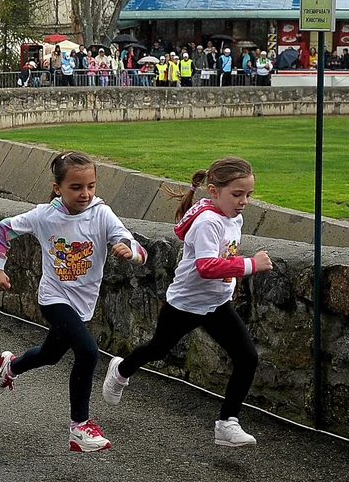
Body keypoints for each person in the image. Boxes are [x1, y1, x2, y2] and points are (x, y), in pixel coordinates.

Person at [102, 156, 271, 449]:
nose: (243, 201)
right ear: (213, 191)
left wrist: (231, 282)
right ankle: (120, 370)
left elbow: (223, 258)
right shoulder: (207, 222)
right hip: (185, 304)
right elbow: (207, 266)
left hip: (217, 304)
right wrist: (249, 265)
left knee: (247, 357)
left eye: (248, 195)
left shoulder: (234, 217)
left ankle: (226, 423)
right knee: (158, 348)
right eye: (237, 194)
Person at [0, 151, 147, 452]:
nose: (85, 193)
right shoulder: (44, 216)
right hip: (54, 298)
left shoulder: (101, 213)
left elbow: (128, 240)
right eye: (76, 187)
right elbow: (3, 230)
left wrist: (130, 251)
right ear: (58, 187)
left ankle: (10, 367)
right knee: (88, 352)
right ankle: (79, 427)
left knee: (49, 355)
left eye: (91, 186)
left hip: (82, 304)